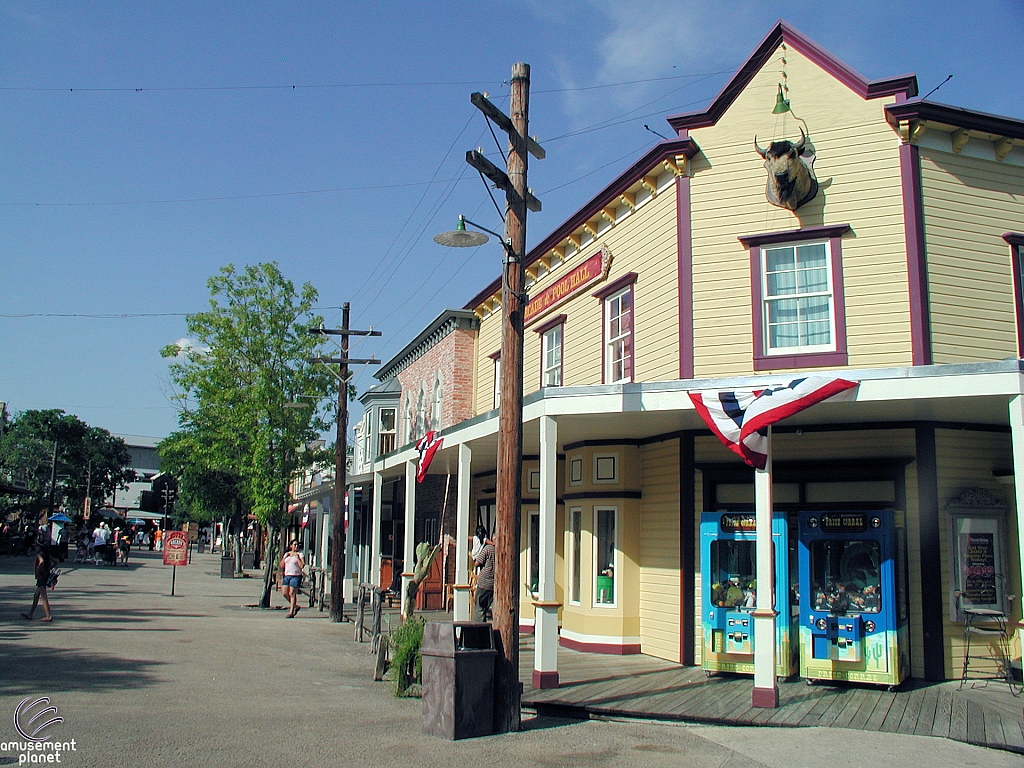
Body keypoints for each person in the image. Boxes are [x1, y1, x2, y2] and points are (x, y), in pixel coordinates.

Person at [22, 543, 53, 622]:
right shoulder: (47, 555)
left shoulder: (39, 554)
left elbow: (41, 561)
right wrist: (49, 568)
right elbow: (56, 561)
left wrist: (38, 569)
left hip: (41, 577)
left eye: (36, 546)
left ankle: (48, 616)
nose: (35, 548)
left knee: (44, 597)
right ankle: (30, 614)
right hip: (46, 576)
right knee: (36, 596)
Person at [278, 540, 305, 618]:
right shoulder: (287, 554)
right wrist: (284, 558)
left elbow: (302, 566)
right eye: (295, 545)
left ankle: (291, 612)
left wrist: (297, 558)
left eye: (297, 545)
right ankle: (296, 606)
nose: (296, 546)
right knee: (284, 593)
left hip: (295, 576)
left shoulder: (300, 554)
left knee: (292, 593)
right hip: (287, 575)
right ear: (291, 546)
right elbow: (281, 565)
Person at [473, 533, 496, 622]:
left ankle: (479, 629)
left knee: (479, 607)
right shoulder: (501, 550)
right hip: (493, 583)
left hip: (484, 582)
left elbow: (477, 563)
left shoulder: (488, 549)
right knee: (486, 607)